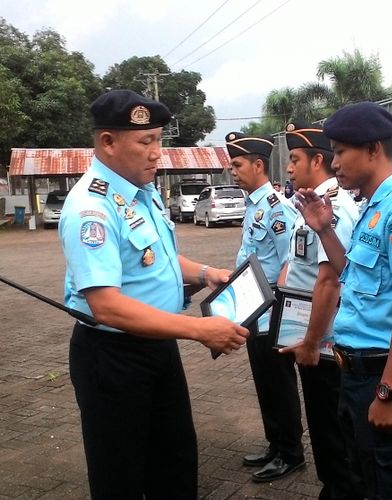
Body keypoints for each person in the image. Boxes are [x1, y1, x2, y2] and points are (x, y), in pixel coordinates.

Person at [60, 89, 249, 499]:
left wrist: (205, 273)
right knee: (121, 474)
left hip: (156, 347)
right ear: (107, 142)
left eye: (159, 140)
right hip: (113, 358)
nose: (156, 153)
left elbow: (157, 257)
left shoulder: (139, 193)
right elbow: (106, 306)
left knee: (175, 460)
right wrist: (199, 330)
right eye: (145, 142)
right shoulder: (91, 209)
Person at [294, 102, 392, 499]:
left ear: (373, 149)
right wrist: (324, 231)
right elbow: (353, 277)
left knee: (391, 483)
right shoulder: (371, 208)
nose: (334, 162)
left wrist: (388, 392)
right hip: (354, 374)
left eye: (341, 152)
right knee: (362, 476)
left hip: (381, 374)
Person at [276, 121, 361, 499]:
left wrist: (311, 342)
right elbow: (297, 266)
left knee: (331, 428)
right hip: (304, 330)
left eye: (295, 160)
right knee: (323, 422)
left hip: (324, 343)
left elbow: (330, 281)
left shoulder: (335, 207)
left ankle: (341, 490)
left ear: (317, 160)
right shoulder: (308, 203)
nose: (289, 168)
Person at [225, 132, 305, 481]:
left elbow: (292, 261)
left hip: (272, 305)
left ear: (258, 165)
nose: (233, 171)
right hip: (252, 304)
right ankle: (275, 444)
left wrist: (277, 305)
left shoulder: (277, 207)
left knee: (279, 382)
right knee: (265, 381)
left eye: (238, 164)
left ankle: (291, 452)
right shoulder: (255, 205)